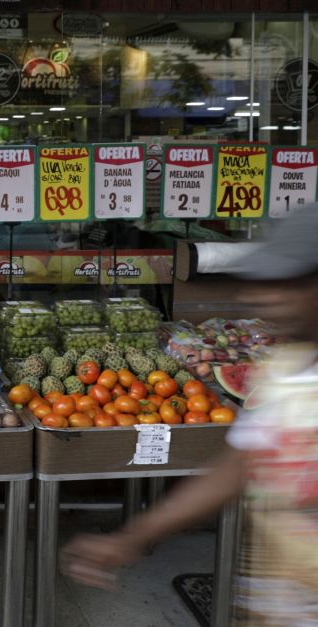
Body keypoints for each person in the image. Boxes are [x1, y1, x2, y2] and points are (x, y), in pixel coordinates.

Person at [61, 206, 318, 625]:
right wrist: (133, 537)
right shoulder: (284, 370)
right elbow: (238, 467)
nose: (264, 297)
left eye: (287, 284)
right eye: (267, 283)